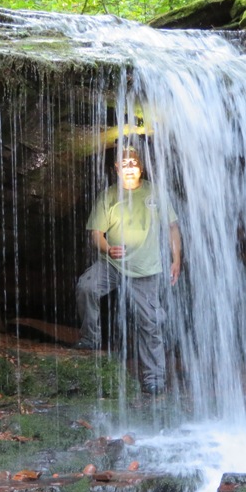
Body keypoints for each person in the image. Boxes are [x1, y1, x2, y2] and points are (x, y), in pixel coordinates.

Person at [74, 146, 181, 395]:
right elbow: (96, 234)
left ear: (141, 167)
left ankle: (154, 378)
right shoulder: (108, 196)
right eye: (124, 164)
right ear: (116, 169)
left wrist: (177, 260)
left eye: (134, 162)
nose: (129, 167)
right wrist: (108, 248)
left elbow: (172, 228)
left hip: (146, 269)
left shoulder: (155, 192)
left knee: (150, 323)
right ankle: (90, 337)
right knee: (86, 286)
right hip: (113, 264)